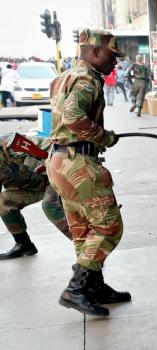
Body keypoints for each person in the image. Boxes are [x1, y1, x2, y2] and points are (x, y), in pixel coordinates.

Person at [47, 29, 130, 317]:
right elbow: (72, 117)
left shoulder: (65, 77)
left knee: (84, 231)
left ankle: (94, 286)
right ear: (94, 51)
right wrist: (103, 136)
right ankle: (76, 288)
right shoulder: (86, 79)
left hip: (60, 161)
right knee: (109, 227)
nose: (115, 63)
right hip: (78, 163)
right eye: (111, 56)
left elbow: (57, 120)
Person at [0, 134, 71, 260]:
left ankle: (87, 249)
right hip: (33, 186)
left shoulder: (14, 143)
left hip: (56, 178)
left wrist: (46, 163)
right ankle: (24, 244)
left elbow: (59, 151)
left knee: (50, 206)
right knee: (3, 202)